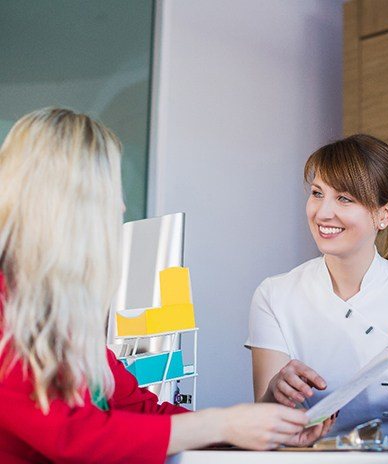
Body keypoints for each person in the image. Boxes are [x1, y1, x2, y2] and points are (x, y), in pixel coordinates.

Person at [0, 108, 332, 463]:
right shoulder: (8, 306)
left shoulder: (59, 316)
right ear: (67, 202)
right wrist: (223, 425)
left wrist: (261, 430)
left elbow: (140, 411)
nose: (121, 205)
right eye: (110, 191)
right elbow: (74, 435)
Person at [246, 134, 388, 445]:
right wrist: (276, 391)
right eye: (318, 193)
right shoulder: (274, 295)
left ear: (384, 214)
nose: (322, 213)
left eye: (344, 198)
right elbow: (265, 431)